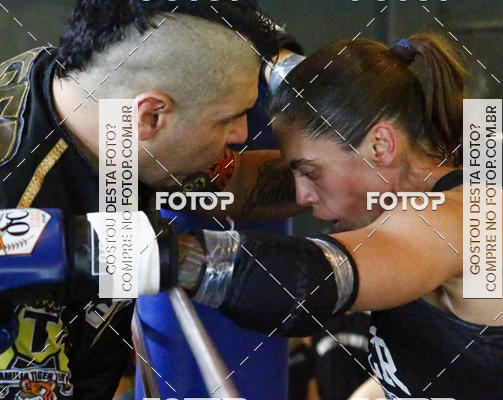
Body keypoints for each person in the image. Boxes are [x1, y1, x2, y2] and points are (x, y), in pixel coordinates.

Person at [176, 31, 503, 399]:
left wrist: (168, 258)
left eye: (310, 173)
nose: (301, 195)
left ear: (381, 146)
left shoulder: (470, 222)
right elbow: (246, 185)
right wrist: (158, 169)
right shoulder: (395, 199)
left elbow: (313, 281)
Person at [0, 1, 305, 398]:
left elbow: (240, 184)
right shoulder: (19, 197)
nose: (242, 134)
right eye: (228, 118)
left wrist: (351, 174)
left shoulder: (103, 109)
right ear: (151, 116)